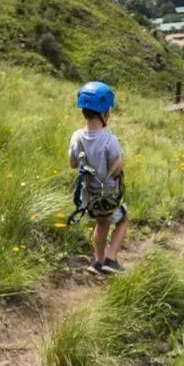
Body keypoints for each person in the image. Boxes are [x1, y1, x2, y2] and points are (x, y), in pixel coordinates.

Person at [69, 82, 129, 274]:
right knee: (124, 218)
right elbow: (117, 168)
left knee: (101, 222)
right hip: (109, 194)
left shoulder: (77, 137)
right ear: (105, 113)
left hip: (90, 195)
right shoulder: (109, 139)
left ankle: (97, 261)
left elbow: (72, 163)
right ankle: (110, 260)